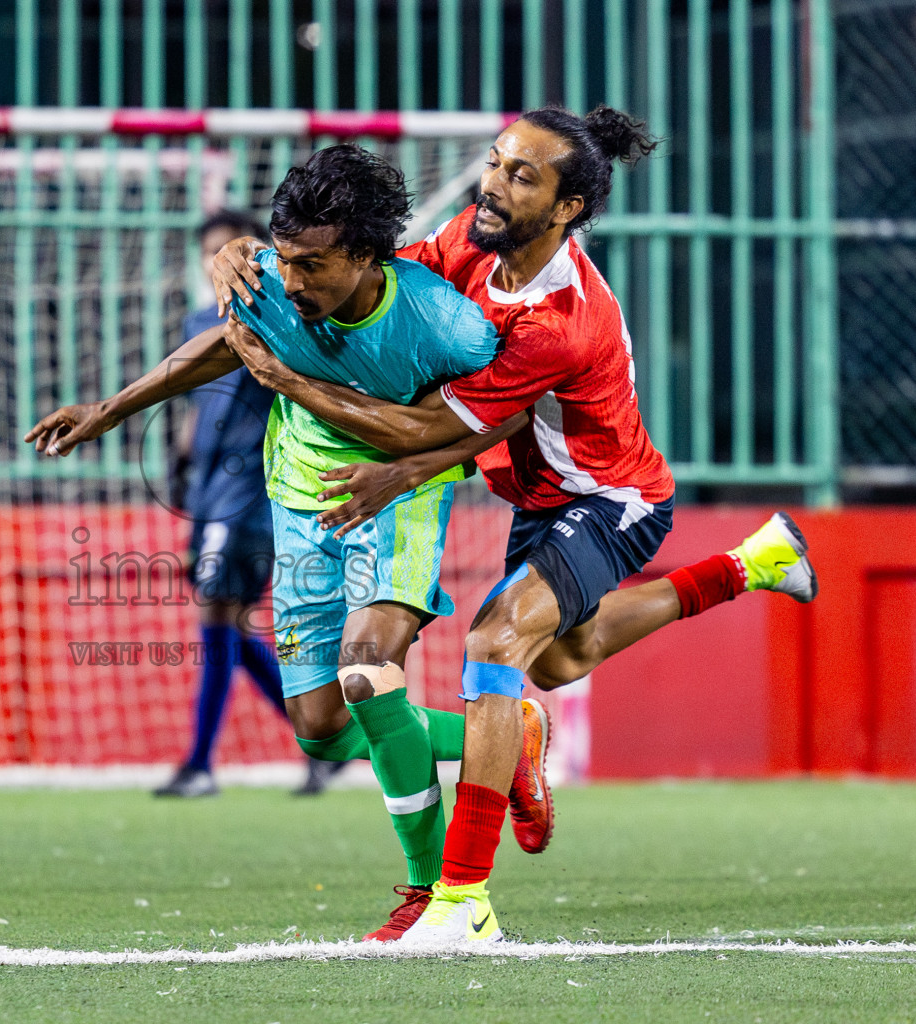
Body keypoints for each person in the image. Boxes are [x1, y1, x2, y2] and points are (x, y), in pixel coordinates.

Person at [213, 105, 818, 943]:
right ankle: (753, 565)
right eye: (497, 163)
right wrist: (255, 265)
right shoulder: (471, 236)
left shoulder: (560, 321)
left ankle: (462, 900)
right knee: (565, 657)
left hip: (608, 499)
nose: (493, 183)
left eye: (521, 175)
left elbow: (435, 429)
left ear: (569, 208)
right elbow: (383, 295)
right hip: (534, 498)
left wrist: (288, 378)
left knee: (496, 641)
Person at [26, 144, 533, 941]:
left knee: (368, 676)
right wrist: (110, 408)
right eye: (287, 260)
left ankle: (435, 897)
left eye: (315, 266)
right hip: (299, 503)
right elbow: (230, 342)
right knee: (323, 731)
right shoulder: (268, 281)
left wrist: (414, 465)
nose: (293, 282)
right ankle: (503, 734)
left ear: (369, 256)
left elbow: (505, 407)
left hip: (396, 499)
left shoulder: (442, 324)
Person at [154, 209, 333, 800]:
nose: (217, 266)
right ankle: (322, 744)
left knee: (216, 623)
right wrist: (180, 471)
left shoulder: (272, 323)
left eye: (226, 253)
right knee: (226, 627)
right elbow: (195, 409)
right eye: (209, 254)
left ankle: (201, 764)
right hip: (208, 497)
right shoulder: (200, 321)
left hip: (250, 499)